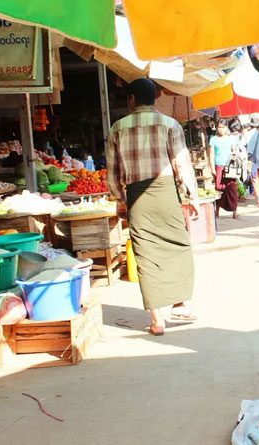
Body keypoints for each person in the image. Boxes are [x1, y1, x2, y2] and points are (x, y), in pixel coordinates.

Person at [106, 78, 199, 336]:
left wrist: (120, 199)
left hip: (138, 197)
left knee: (145, 254)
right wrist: (192, 196)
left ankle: (157, 320)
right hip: (166, 192)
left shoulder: (117, 128)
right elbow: (182, 163)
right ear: (155, 98)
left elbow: (113, 173)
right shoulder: (170, 124)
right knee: (178, 245)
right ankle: (181, 304)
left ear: (132, 99)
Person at [208, 119, 240, 219]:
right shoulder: (213, 139)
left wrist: (235, 154)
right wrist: (212, 168)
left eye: (223, 127)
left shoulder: (231, 139)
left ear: (226, 128)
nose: (220, 129)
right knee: (218, 188)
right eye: (219, 127)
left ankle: (234, 211)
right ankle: (217, 210)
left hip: (230, 168)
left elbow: (235, 150)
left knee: (232, 188)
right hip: (218, 166)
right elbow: (211, 154)